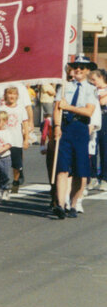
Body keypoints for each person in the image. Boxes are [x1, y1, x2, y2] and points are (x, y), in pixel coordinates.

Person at [52, 56, 98, 219]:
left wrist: (69, 107)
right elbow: (57, 108)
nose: (78, 69)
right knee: (62, 168)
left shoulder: (90, 89)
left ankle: (73, 204)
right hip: (65, 127)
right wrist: (57, 126)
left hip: (80, 128)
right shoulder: (65, 87)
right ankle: (60, 204)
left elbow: (88, 111)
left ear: (87, 71)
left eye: (82, 67)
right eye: (76, 66)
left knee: (80, 170)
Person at [0, 86, 29, 193]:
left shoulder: (20, 108)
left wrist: (26, 139)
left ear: (17, 96)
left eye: (13, 94)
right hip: (4, 140)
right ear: (5, 96)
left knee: (16, 164)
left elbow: (25, 124)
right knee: (3, 162)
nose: (11, 96)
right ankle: (4, 182)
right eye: (9, 94)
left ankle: (16, 181)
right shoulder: (2, 108)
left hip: (16, 140)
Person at [89, 68, 107, 191]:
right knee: (92, 148)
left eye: (94, 79)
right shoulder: (92, 90)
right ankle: (93, 176)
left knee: (104, 149)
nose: (93, 82)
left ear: (101, 78)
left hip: (105, 119)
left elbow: (102, 102)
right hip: (94, 120)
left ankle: (105, 178)